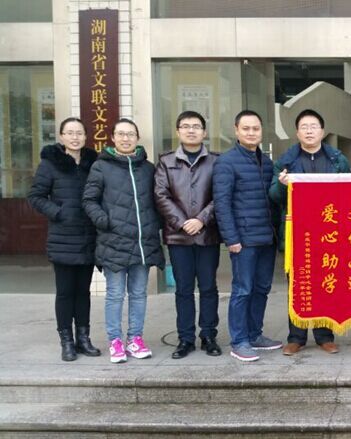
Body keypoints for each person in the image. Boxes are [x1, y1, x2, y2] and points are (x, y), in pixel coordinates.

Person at [83, 118, 165, 364]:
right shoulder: (101, 166)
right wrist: (104, 220)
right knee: (115, 294)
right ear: (113, 138)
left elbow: (158, 200)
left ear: (137, 138)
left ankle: (135, 338)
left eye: (130, 134)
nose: (126, 138)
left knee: (139, 293)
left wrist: (157, 225)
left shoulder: (148, 168)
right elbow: (89, 200)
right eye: (121, 134)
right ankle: (115, 341)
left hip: (143, 242)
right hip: (114, 242)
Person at [270, 109, 351, 356]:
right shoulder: (285, 161)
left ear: (322, 131)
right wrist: (282, 186)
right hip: (299, 234)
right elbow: (274, 196)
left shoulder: (337, 159)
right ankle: (296, 337)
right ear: (297, 133)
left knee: (327, 283)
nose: (309, 131)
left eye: (313, 126)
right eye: (304, 127)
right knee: (298, 285)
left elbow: (350, 193)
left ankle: (325, 336)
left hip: (329, 232)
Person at [28, 117, 101, 361]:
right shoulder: (50, 164)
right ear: (61, 136)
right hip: (63, 237)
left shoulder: (93, 163)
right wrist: (59, 213)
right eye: (69, 133)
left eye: (79, 132)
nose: (74, 137)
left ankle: (83, 339)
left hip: (88, 236)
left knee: (83, 292)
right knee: (65, 292)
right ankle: (67, 341)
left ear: (86, 136)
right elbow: (36, 196)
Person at [213, 110, 280, 362]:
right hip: (243, 240)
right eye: (246, 128)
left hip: (266, 238)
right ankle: (239, 340)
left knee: (262, 288)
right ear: (236, 131)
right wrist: (231, 239)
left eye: (256, 128)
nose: (251, 133)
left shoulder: (268, 163)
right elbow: (222, 204)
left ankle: (255, 334)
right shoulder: (226, 162)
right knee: (242, 290)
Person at [154, 111, 222, 359]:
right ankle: (185, 339)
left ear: (204, 132)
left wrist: (202, 219)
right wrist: (183, 223)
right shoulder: (166, 162)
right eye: (186, 126)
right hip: (178, 237)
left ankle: (209, 336)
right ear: (178, 131)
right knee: (183, 289)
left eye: (196, 126)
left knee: (208, 287)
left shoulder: (216, 161)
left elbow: (221, 194)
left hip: (207, 234)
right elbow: (161, 195)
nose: (191, 130)